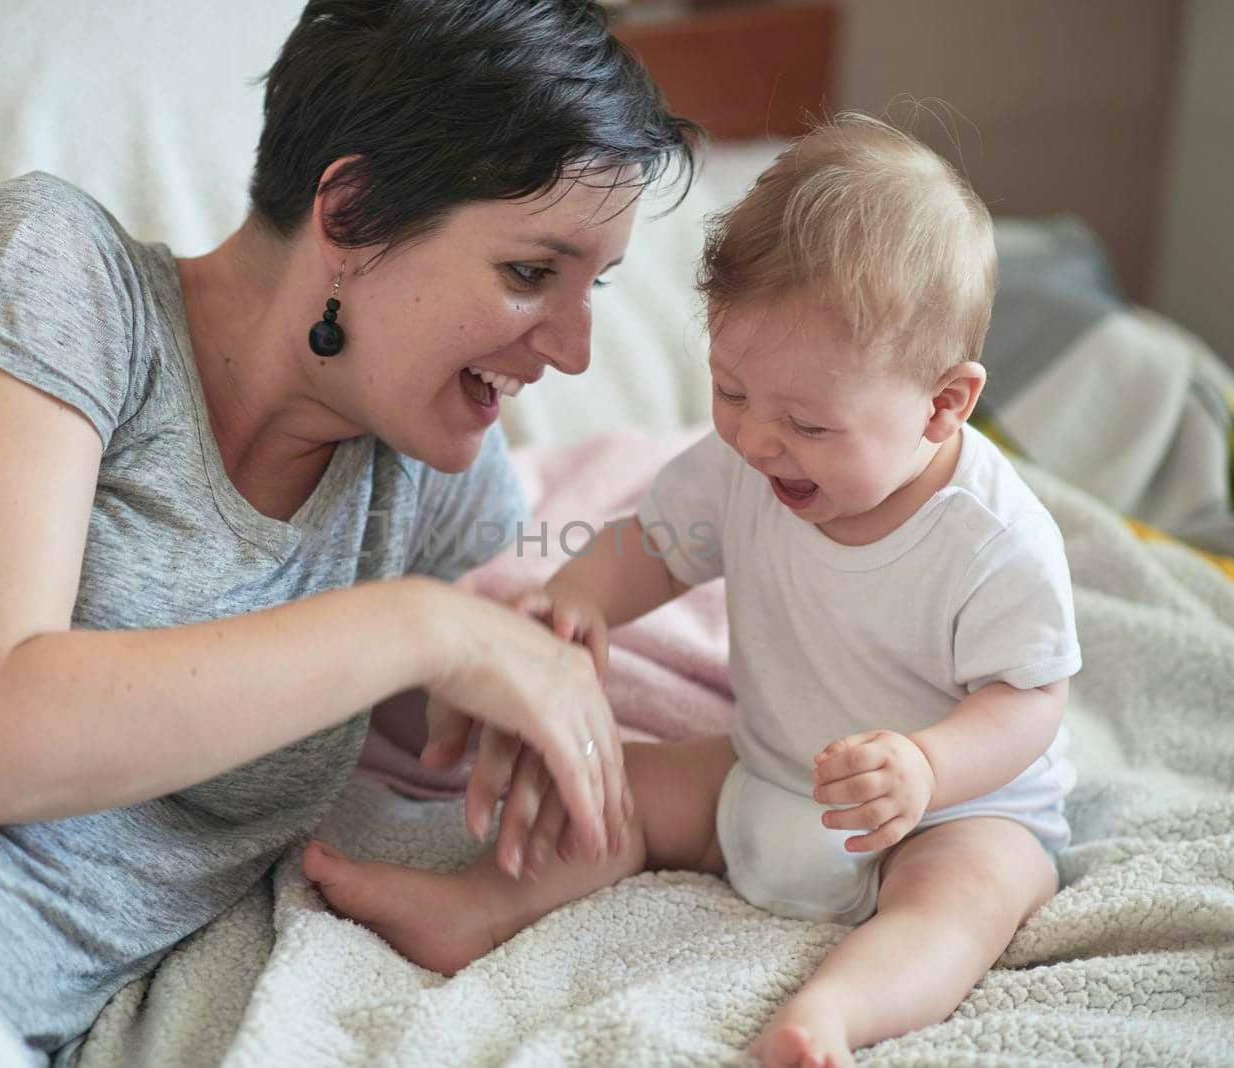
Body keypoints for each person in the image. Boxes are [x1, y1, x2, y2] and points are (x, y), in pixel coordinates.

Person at [0, 2, 700, 1063]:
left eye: (598, 288)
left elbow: (435, 713)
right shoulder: (55, 271)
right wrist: (426, 629)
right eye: (532, 273)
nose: (576, 351)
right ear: (350, 214)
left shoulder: (430, 481)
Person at [305, 114, 1082, 1068]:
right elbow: (656, 546)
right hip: (764, 765)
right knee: (604, 790)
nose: (757, 440)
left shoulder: (993, 540)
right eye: (731, 390)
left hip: (952, 811)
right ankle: (474, 907)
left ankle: (831, 1016)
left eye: (807, 422)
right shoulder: (742, 465)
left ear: (943, 404)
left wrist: (927, 768)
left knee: (962, 904)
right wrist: (578, 598)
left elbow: (1030, 699)